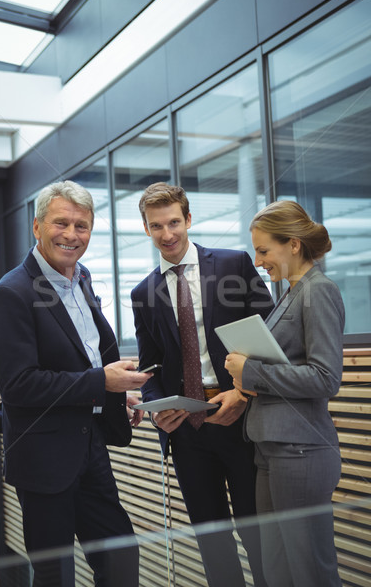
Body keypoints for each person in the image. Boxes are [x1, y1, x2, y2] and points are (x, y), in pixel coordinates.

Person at [0, 180, 151, 587]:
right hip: (43, 457)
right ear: (37, 226)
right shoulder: (13, 292)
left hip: (91, 443)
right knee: (55, 574)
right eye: (61, 223)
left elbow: (85, 357)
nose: (72, 235)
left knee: (121, 558)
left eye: (82, 226)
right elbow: (19, 385)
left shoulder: (82, 278)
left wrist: (116, 394)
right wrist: (101, 382)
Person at [131, 182, 275, 587]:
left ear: (188, 219)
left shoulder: (233, 265)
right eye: (156, 226)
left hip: (240, 421)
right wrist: (158, 408)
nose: (167, 234)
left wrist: (245, 392)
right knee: (211, 541)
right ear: (146, 229)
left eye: (174, 222)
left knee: (258, 533)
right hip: (187, 433)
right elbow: (150, 368)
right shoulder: (142, 292)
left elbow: (270, 335)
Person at [224, 200, 344, 587]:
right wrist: (246, 378)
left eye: (264, 251)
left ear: (293, 245)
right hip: (271, 449)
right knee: (276, 571)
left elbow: (326, 378)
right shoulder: (290, 294)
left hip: (302, 451)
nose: (258, 262)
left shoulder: (319, 291)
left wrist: (252, 372)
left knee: (309, 572)